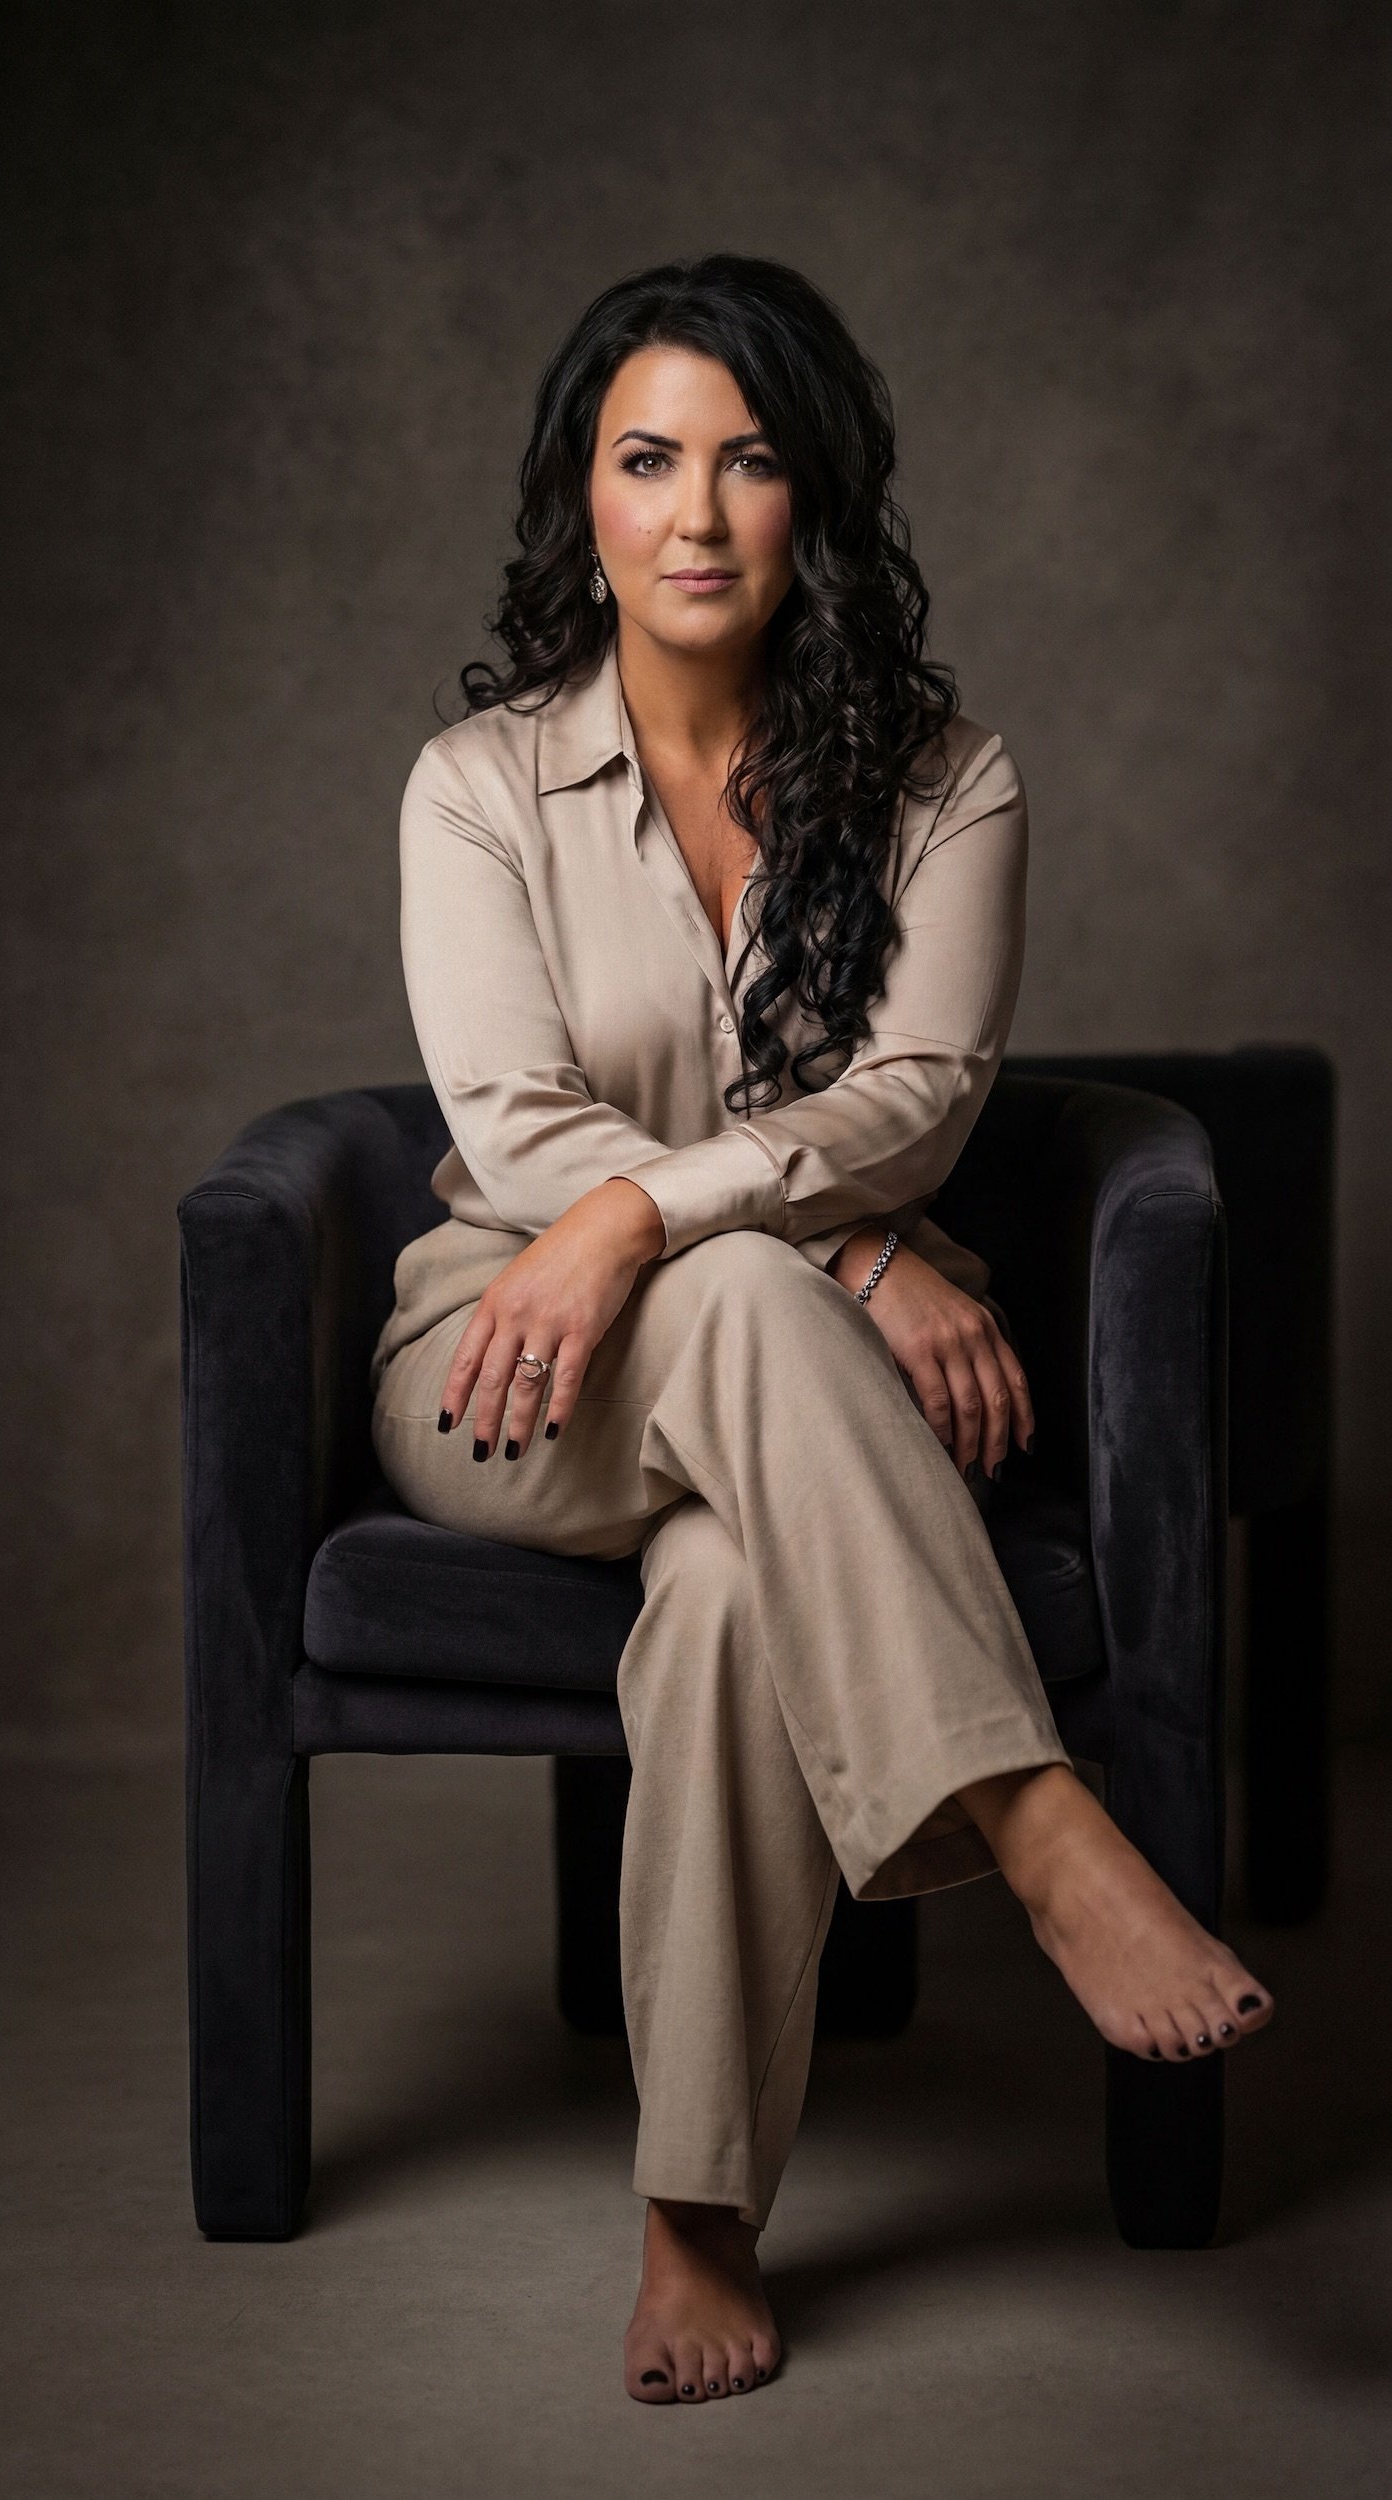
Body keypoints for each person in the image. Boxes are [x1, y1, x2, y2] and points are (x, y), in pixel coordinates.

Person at [368, 253, 1273, 2407]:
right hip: (512, 1365)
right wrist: (843, 1250)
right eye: (646, 459)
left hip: (786, 1407)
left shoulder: (948, 780)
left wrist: (704, 1219)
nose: (696, 514)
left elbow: (921, 1099)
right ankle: (1041, 1824)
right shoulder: (474, 785)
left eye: (750, 460)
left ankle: (695, 2207)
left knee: (719, 1591)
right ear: (579, 499)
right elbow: (516, 1131)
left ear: (818, 500)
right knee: (759, 1286)